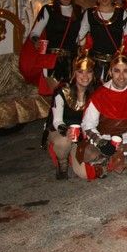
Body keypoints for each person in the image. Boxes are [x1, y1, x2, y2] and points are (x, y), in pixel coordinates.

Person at [71, 37, 127, 180]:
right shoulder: (100, 94)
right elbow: (87, 125)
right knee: (88, 153)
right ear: (110, 72)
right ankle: (105, 159)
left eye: (126, 71)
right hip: (105, 137)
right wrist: (102, 143)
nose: (121, 76)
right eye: (117, 71)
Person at [47, 39, 97, 180]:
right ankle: (62, 163)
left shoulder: (95, 93)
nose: (85, 76)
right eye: (81, 72)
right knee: (64, 142)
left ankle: (73, 155)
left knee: (84, 174)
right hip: (60, 131)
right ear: (74, 73)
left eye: (89, 72)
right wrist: (66, 130)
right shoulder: (63, 91)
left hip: (81, 136)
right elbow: (57, 121)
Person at [29, 0, 83, 85]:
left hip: (72, 62)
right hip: (52, 61)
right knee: (53, 92)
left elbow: (81, 38)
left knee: (70, 91)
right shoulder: (48, 10)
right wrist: (36, 41)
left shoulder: (79, 11)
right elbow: (34, 33)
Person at [77, 0, 127, 82]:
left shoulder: (122, 13)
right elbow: (80, 36)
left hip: (115, 65)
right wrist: (83, 50)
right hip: (95, 64)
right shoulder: (90, 13)